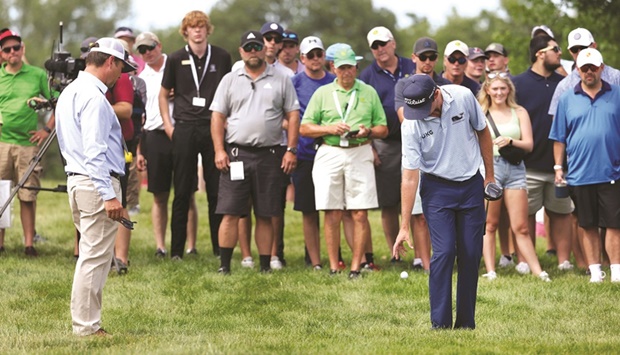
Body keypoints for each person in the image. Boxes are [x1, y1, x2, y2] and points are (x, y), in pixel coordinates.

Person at [393, 74, 495, 329]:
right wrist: (404, 226)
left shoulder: (462, 97)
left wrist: (489, 177)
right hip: (437, 189)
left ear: (436, 94)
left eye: (423, 107)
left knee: (471, 255)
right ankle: (439, 324)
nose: (420, 113)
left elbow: (483, 133)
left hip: (471, 184)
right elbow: (409, 176)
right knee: (445, 251)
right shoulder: (411, 123)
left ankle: (465, 323)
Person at [55, 37, 135, 336]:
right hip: (94, 182)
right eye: (121, 68)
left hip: (79, 180)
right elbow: (95, 151)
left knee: (92, 256)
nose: (120, 75)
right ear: (110, 62)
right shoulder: (93, 96)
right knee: (95, 258)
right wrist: (109, 195)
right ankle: (87, 327)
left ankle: (86, 322)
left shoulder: (71, 91)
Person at [210, 30, 299, 274]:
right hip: (236, 154)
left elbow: (293, 114)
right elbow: (218, 116)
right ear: (241, 51)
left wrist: (291, 149)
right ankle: (225, 266)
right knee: (230, 211)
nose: (252, 51)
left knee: (266, 213)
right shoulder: (230, 78)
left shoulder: (281, 78)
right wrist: (219, 150)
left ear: (265, 49)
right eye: (247, 47)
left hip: (270, 154)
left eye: (256, 47)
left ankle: (264, 266)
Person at [300, 45, 388, 279]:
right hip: (330, 150)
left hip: (359, 151)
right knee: (332, 212)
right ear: (333, 68)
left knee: (360, 213)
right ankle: (333, 266)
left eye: (350, 67)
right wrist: (329, 128)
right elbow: (305, 127)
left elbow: (383, 128)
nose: (346, 72)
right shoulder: (322, 93)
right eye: (341, 68)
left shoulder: (368, 92)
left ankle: (356, 266)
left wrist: (368, 131)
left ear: (357, 68)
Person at [160, 10, 232, 259]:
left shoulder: (221, 56)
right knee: (182, 191)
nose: (198, 30)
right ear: (186, 31)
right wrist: (168, 126)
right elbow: (163, 93)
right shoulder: (175, 58)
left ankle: (218, 249)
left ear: (207, 29)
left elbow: (230, 92)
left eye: (201, 26)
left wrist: (227, 123)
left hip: (213, 126)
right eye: (193, 27)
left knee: (215, 191)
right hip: (185, 127)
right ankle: (177, 251)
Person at [550, 48, 620, 283]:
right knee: (587, 224)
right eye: (584, 68)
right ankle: (595, 272)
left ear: (602, 68)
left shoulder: (617, 93)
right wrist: (558, 168)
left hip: (612, 171)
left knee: (614, 224)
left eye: (593, 67)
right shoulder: (567, 98)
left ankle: (617, 272)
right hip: (580, 173)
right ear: (578, 70)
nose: (589, 72)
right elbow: (559, 137)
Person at [477, 71, 550, 282]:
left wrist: (510, 141)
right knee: (489, 224)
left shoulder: (519, 111)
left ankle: (538, 270)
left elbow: (529, 144)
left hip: (515, 168)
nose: (499, 92)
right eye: (495, 88)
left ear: (509, 89)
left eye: (503, 88)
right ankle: (490, 270)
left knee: (521, 226)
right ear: (487, 90)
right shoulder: (481, 112)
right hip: (491, 168)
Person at [512, 35, 575, 270]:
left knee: (561, 213)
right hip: (527, 164)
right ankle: (524, 261)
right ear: (540, 53)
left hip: (561, 164)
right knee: (525, 215)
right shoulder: (518, 83)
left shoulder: (565, 83)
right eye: (555, 49)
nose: (560, 53)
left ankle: (563, 261)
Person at [135, 31, 198, 258]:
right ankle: (161, 246)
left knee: (187, 192)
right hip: (154, 136)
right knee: (159, 194)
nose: (147, 53)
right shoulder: (141, 77)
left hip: (180, 132)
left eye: (150, 47)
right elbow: (140, 117)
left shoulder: (176, 66)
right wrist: (139, 150)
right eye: (142, 50)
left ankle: (191, 246)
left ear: (159, 45)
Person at [394, 36, 451, 271]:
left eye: (432, 57)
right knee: (419, 213)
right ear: (414, 58)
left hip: (444, 155)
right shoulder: (403, 84)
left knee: (441, 212)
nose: (428, 61)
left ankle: (442, 259)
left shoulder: (445, 84)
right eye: (423, 57)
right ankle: (427, 264)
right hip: (417, 150)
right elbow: (406, 119)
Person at [359, 26, 415, 267]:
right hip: (386, 144)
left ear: (393, 43)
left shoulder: (411, 66)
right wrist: (370, 145)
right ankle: (396, 253)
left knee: (422, 200)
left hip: (417, 140)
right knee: (390, 202)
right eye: (375, 46)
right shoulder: (367, 75)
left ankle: (425, 252)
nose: (380, 49)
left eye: (383, 43)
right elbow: (362, 114)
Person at [0, 29, 55, 257]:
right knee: (1, 194)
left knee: (27, 194)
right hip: (2, 144)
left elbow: (59, 102)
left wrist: (46, 129)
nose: (12, 52)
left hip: (28, 144)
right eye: (7, 49)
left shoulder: (38, 74)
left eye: (16, 47)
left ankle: (29, 244)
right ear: (1, 54)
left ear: (22, 49)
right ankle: (1, 245)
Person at [291, 36, 335, 269]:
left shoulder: (335, 80)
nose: (315, 59)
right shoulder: (294, 83)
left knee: (333, 207)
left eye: (319, 54)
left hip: (332, 150)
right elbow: (285, 117)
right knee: (309, 210)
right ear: (303, 58)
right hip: (305, 153)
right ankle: (315, 261)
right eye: (310, 55)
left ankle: (334, 258)